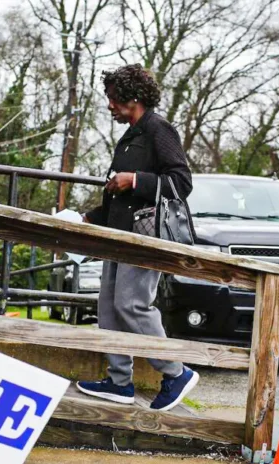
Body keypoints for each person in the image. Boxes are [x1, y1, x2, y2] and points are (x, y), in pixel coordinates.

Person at [75, 64, 199, 411]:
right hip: (118, 236)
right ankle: (118, 382)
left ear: (132, 98)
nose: (109, 106)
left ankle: (175, 373)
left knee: (132, 305)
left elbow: (182, 183)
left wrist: (136, 180)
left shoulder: (159, 130)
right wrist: (88, 218)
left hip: (145, 237)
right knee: (109, 308)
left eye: (113, 99)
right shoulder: (129, 136)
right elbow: (119, 198)